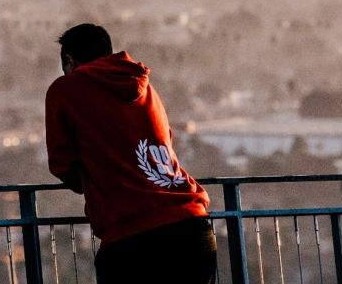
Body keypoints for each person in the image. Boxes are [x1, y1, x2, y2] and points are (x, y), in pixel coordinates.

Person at [45, 23, 217, 283]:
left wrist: (100, 178)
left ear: (69, 60)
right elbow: (164, 142)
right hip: (192, 227)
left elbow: (62, 164)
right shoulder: (145, 87)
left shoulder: (66, 89)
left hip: (133, 238)